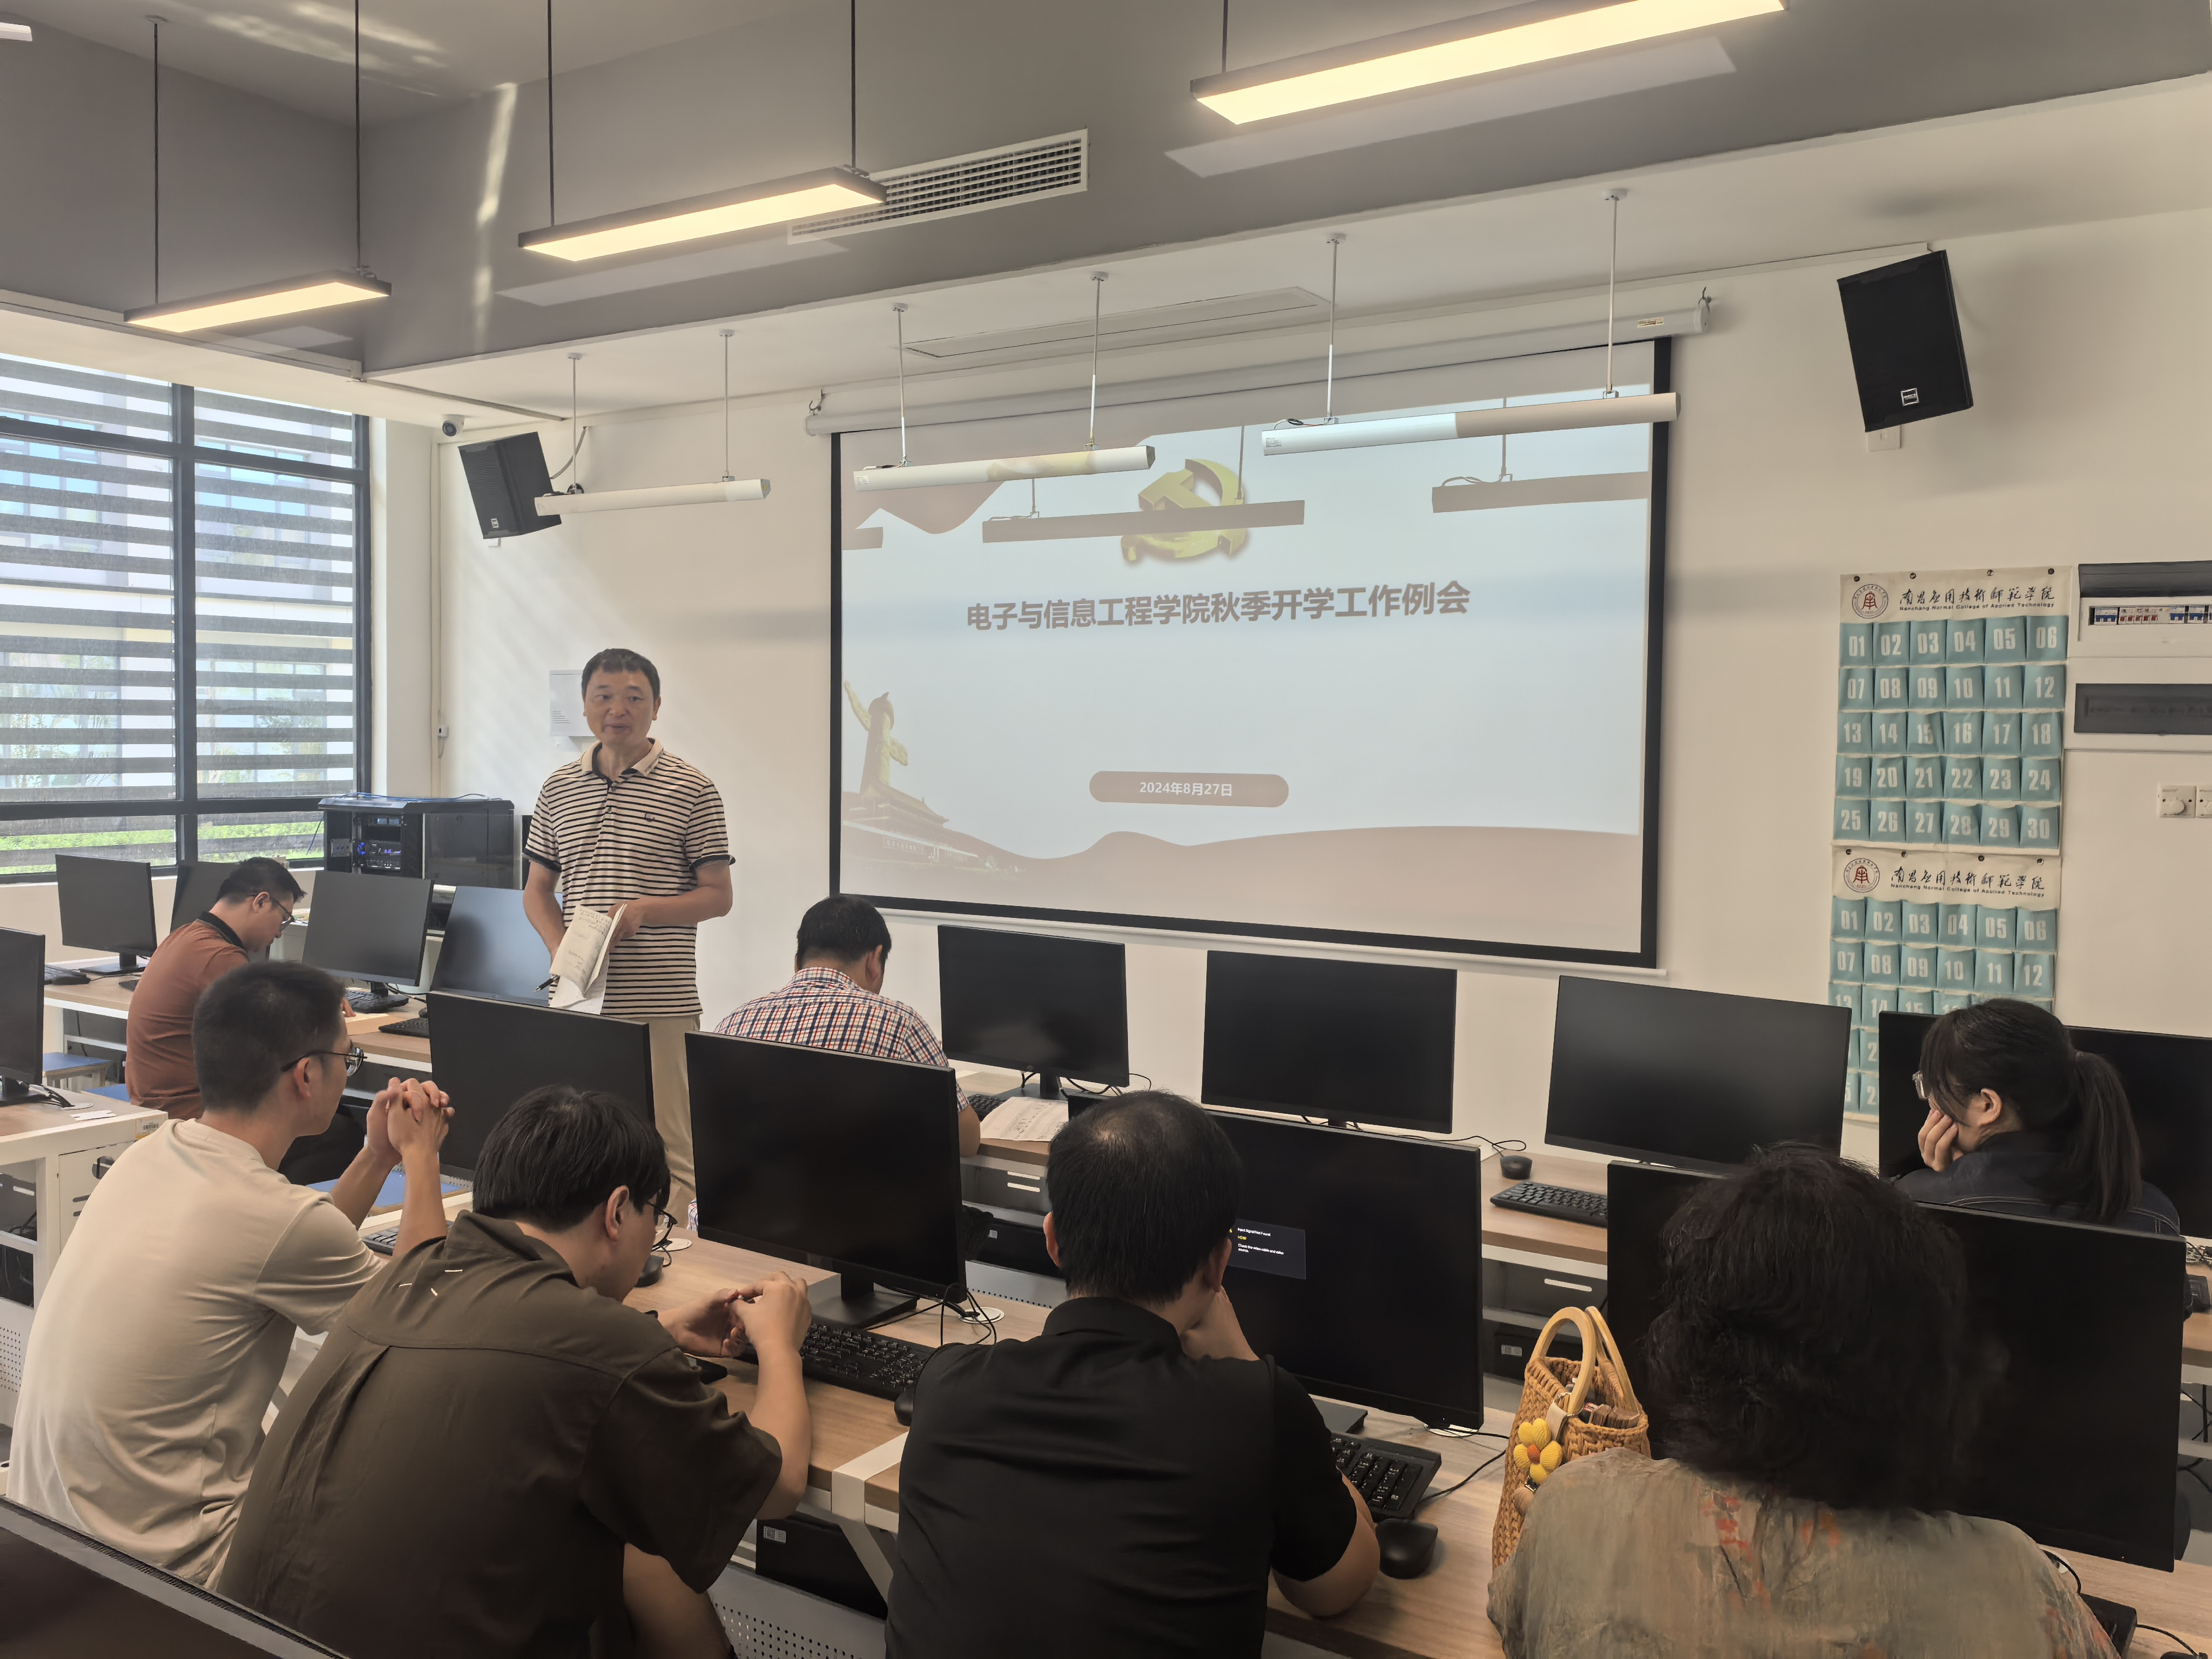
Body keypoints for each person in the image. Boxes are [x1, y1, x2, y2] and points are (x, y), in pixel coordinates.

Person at [219, 1086, 813, 1659]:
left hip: (239, 1637)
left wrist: (659, 1330)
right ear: (616, 1212)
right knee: (633, 1536)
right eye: (654, 1220)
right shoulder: (605, 1345)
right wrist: (779, 1344)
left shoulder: (400, 1284)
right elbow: (777, 1487)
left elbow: (520, 1348)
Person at [1488, 1144, 2114, 1657]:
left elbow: (1512, 1616)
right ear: (1923, 1365)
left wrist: (1564, 1530)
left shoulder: (1576, 1508)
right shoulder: (2013, 1583)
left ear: (1693, 1340)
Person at [884, 1091, 1378, 1657]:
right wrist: (1242, 1359)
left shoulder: (947, 1386)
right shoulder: (1253, 1407)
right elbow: (1338, 1588)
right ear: (1219, 1263)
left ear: (1053, 1240)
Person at [10, 960, 450, 1586]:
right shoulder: (276, 1217)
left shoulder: (149, 1155)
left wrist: (378, 1155)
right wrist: (421, 1155)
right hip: (171, 1575)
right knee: (413, 1472)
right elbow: (424, 1320)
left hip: (46, 1539)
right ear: (306, 1076)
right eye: (347, 1061)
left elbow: (297, 1241)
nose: (348, 1072)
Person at [525, 647, 733, 1211]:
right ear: (585, 705)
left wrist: (645, 911)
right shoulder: (558, 787)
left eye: (634, 698)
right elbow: (537, 891)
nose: (617, 710)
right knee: (578, 1139)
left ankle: (679, 1253)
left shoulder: (692, 788)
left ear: (656, 707)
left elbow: (718, 896)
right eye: (604, 697)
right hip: (578, 998)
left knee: (669, 1147)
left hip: (660, 1000)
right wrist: (560, 950)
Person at [716, 895, 983, 1156]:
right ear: (874, 960)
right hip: (862, 1186)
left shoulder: (733, 1024)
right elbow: (966, 1142)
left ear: (797, 963)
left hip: (751, 1186)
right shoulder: (899, 1022)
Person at [1899, 996, 2180, 1235]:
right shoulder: (2157, 1216)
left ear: (1987, 1105)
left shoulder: (1912, 1204)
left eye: (1936, 1088)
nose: (1932, 1102)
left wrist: (1944, 1185)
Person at [126, 855, 304, 1120]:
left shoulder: (185, 936)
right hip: (189, 1112)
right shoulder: (220, 957)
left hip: (156, 1105)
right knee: (338, 1127)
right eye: (284, 918)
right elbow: (274, 1038)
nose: (279, 932)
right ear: (261, 902)